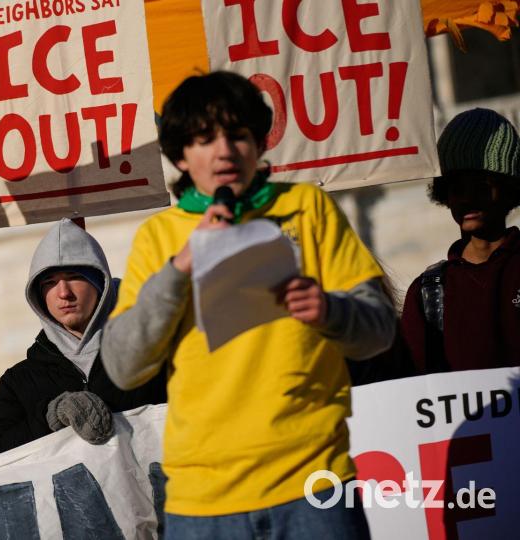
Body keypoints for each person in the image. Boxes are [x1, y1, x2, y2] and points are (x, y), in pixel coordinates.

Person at [101, 72, 396, 538]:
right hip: (202, 503)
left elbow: (379, 330)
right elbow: (123, 366)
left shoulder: (307, 207)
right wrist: (179, 269)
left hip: (314, 485)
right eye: (204, 139)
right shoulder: (158, 237)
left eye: (238, 135)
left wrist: (329, 311)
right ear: (181, 156)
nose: (224, 151)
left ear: (259, 144)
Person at [0, 218, 166, 456]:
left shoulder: (154, 352)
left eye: (74, 277)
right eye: (49, 283)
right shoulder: (18, 382)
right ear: (38, 295)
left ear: (99, 283)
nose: (63, 293)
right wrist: (49, 416)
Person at [400, 108, 520, 373]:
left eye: (481, 186)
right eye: (457, 188)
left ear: (510, 190)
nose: (467, 199)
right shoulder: (427, 293)